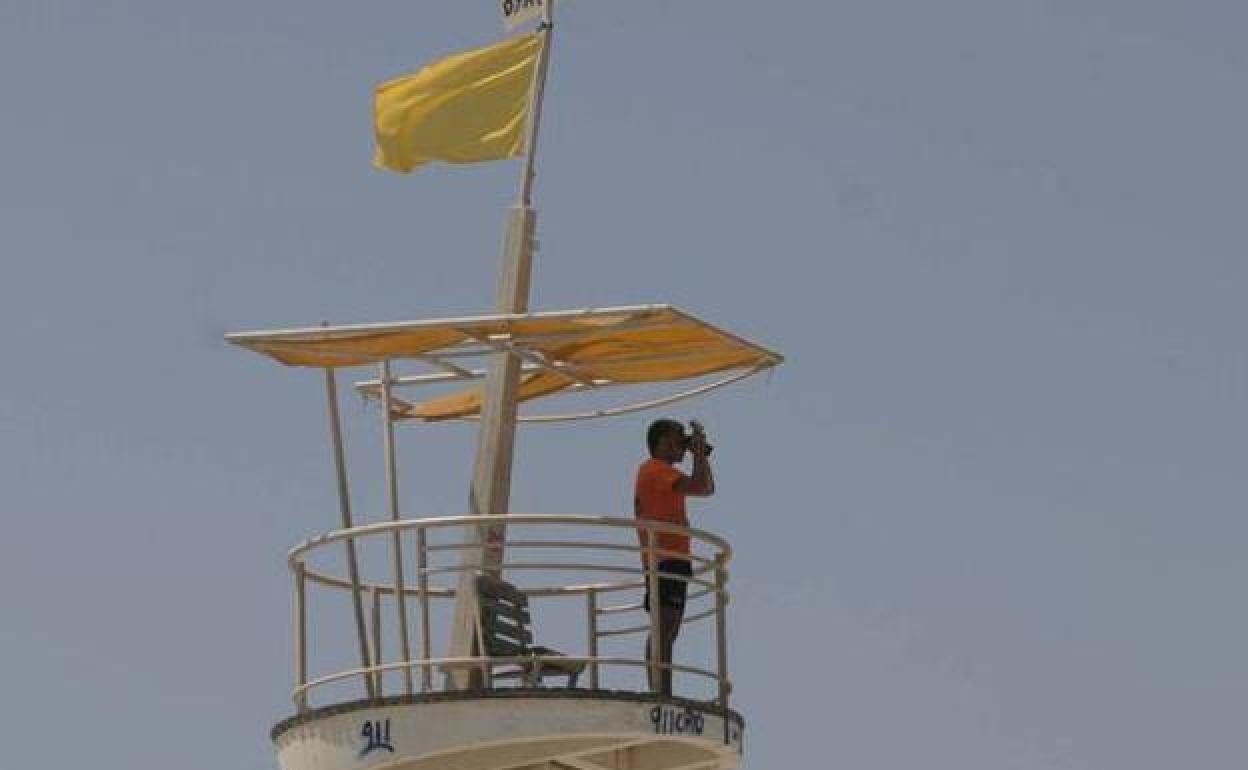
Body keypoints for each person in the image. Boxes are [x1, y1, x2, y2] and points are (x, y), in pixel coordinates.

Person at [634, 418, 715, 696]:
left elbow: (705, 487)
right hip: (665, 559)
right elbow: (701, 486)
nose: (683, 443)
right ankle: (661, 692)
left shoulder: (657, 472)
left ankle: (660, 689)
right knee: (664, 629)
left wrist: (698, 452)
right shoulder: (656, 470)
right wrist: (699, 452)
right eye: (679, 437)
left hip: (671, 558)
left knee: (667, 630)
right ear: (664, 440)